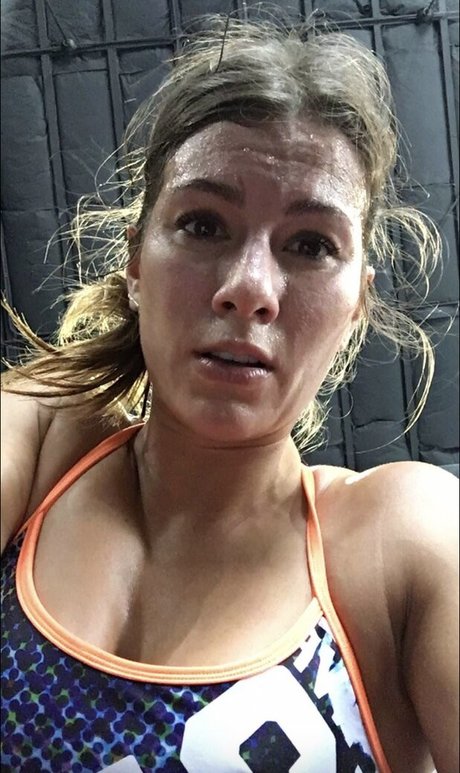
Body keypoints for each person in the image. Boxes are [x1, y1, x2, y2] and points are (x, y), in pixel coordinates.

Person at [1, 15, 458, 773]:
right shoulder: (46, 442)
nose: (249, 289)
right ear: (135, 264)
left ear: (357, 304)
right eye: (204, 225)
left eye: (310, 245)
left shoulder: (402, 543)